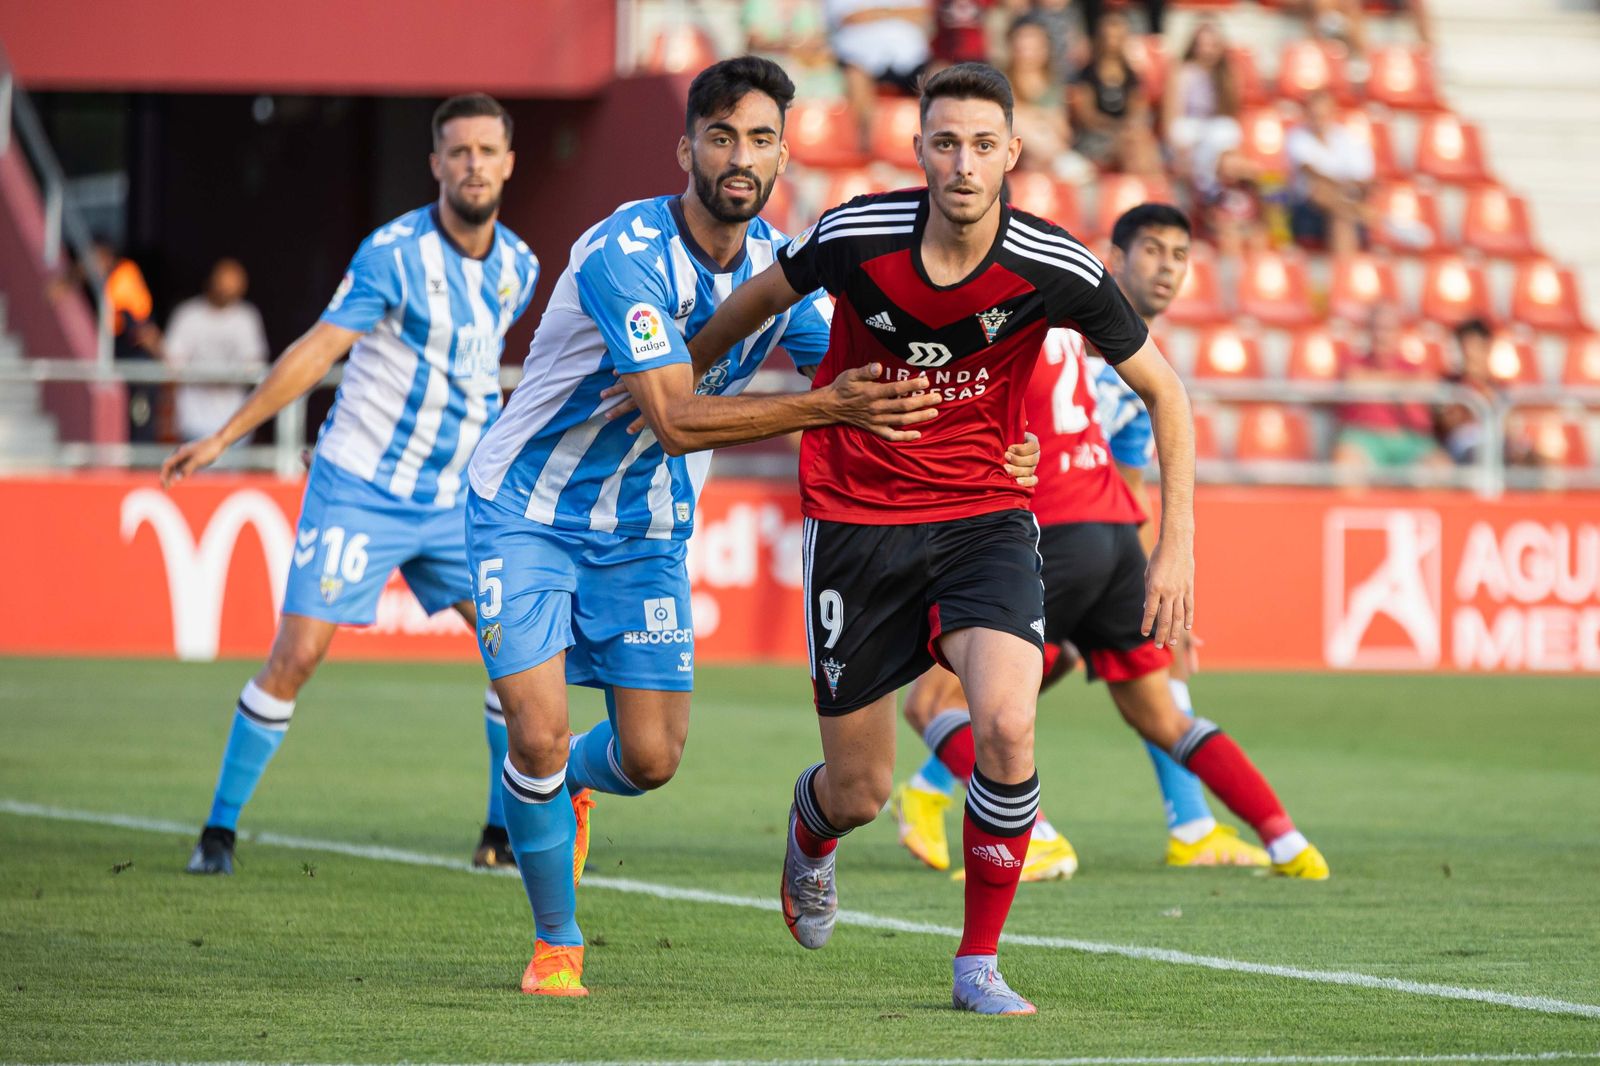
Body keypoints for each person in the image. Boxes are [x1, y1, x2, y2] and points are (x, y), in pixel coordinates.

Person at [462, 56, 1040, 1000]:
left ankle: (572, 782)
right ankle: (556, 943)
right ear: (684, 148)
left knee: (652, 758)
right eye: (722, 137)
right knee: (535, 730)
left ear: (782, 156)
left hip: (644, 527)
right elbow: (674, 417)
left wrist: (1001, 445)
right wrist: (828, 409)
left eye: (762, 139)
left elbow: (881, 370)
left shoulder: (782, 268)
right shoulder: (624, 254)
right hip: (527, 510)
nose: (741, 157)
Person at [687, 62, 1197, 1016]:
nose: (964, 163)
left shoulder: (1054, 264)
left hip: (984, 518)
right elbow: (751, 306)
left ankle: (978, 965)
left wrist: (1176, 547)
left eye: (983, 145)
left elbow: (1165, 391)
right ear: (919, 148)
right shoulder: (856, 235)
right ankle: (811, 834)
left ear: (1012, 154)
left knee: (1006, 724)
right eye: (947, 142)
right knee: (860, 789)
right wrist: (679, 392)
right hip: (856, 521)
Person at [160, 93, 541, 877]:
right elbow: (318, 349)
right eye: (458, 152)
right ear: (436, 164)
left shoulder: (521, 268)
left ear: (509, 163)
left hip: (459, 501)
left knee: (518, 655)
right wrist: (226, 435)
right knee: (297, 656)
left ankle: (500, 835)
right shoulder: (392, 255)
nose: (473, 165)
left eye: (486, 151)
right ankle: (218, 833)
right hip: (362, 487)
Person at [893, 204, 1331, 885]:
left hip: (1051, 536)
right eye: (1152, 251)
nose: (1166, 268)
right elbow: (1124, 476)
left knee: (931, 703)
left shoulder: (1015, 321)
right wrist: (1159, 569)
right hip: (1113, 539)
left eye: (1179, 255)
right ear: (1113, 260)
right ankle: (1287, 841)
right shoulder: (1104, 348)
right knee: (1159, 713)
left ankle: (1033, 836)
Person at [1333, 304, 1451, 482]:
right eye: (1376, 328)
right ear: (1368, 331)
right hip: (1364, 438)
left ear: (1399, 332)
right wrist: (1405, 385)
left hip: (1411, 440)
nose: (1381, 335)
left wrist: (1375, 384)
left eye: (1387, 329)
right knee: (1346, 466)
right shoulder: (1352, 360)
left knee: (1440, 470)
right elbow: (1354, 384)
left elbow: (1428, 386)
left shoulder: (1414, 365)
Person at [163, 258, 271, 448]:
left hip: (235, 423)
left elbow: (254, 365)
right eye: (222, 285)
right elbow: (172, 363)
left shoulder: (246, 318)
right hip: (193, 421)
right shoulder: (188, 315)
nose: (225, 292)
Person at [824, 0, 931, 148]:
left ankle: (933, 140)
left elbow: (922, 14)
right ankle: (866, 148)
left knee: (935, 80)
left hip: (910, 59)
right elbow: (849, 17)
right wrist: (896, 12)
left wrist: (877, 13)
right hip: (860, 59)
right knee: (856, 80)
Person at [1068, 10, 1161, 175]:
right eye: (1108, 37)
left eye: (1117, 37)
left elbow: (1138, 110)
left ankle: (1149, 184)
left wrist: (1126, 130)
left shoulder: (1132, 76)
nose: (1112, 42)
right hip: (1095, 137)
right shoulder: (1086, 75)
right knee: (1133, 145)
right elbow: (1087, 117)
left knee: (1139, 141)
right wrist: (1118, 130)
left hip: (1127, 135)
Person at [1286, 89, 1375, 256]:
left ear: (1332, 113)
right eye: (1313, 115)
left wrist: (1342, 189)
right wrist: (1344, 188)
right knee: (1320, 189)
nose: (1318, 121)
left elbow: (1363, 181)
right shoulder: (1297, 137)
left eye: (1322, 115)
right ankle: (1357, 212)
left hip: (1342, 206)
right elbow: (1310, 172)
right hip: (1308, 211)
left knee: (1340, 219)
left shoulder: (1349, 139)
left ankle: (1343, 268)